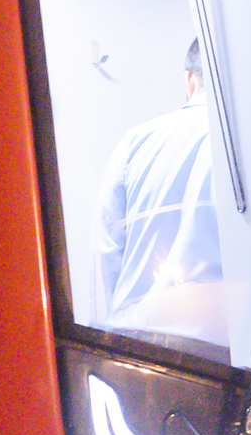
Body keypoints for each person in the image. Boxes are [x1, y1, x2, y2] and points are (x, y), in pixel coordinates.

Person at [98, 37, 228, 353]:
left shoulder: (135, 142)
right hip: (219, 346)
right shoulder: (247, 144)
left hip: (137, 341)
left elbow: (107, 252)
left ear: (189, 78)